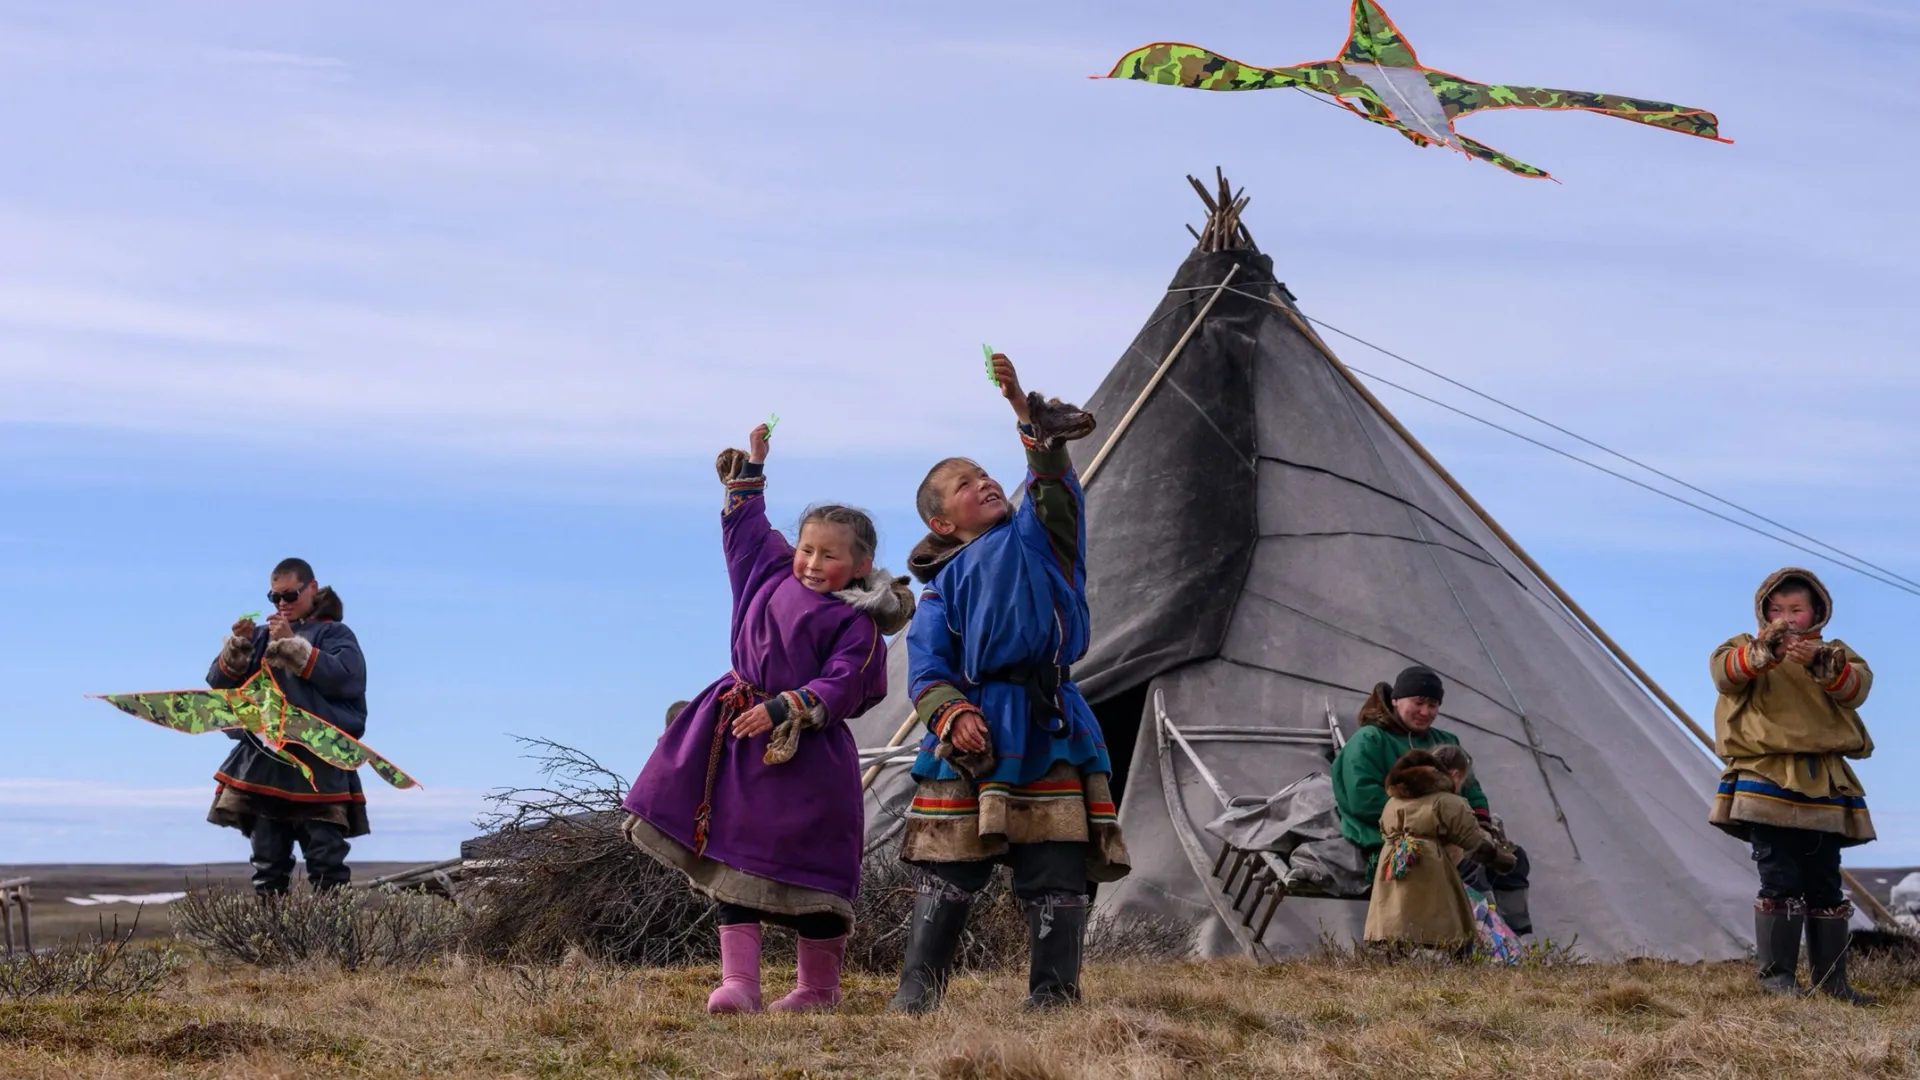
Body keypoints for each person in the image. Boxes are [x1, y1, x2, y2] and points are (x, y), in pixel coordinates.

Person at [621, 422, 913, 1015]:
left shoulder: (855, 625)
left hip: (810, 754)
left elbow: (845, 682)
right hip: (735, 738)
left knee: (817, 867)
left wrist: (784, 707)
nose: (811, 563)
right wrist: (752, 471)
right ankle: (741, 984)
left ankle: (817, 988)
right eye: (807, 548)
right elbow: (748, 533)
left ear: (860, 566)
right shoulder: (770, 571)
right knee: (733, 856)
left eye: (829, 555)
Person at [887, 352, 1128, 1014]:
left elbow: (1050, 486)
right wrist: (951, 715)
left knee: (1054, 865)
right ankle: (917, 994)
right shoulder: (939, 593)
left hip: (1050, 722)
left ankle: (1054, 997)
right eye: (967, 483)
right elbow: (929, 669)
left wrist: (1031, 425)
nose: (987, 483)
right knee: (951, 865)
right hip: (978, 730)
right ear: (942, 521)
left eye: (989, 474)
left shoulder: (1040, 537)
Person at [1709, 567, 1875, 1005]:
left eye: (1796, 610)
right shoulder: (1743, 648)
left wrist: (1822, 666)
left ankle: (1832, 983)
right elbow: (1725, 674)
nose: (1786, 617)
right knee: (1779, 876)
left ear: (1816, 612)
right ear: (1764, 613)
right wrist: (1762, 652)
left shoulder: (1836, 655)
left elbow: (1856, 689)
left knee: (1824, 881)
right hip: (1765, 777)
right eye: (1777, 610)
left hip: (1823, 781)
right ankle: (1777, 980)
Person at [206, 558, 368, 895]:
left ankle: (332, 946)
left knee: (327, 866)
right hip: (264, 767)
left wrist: (294, 646)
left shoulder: (336, 633)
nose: (282, 603)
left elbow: (347, 679)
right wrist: (239, 648)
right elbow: (220, 689)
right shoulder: (262, 637)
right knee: (267, 866)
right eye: (274, 597)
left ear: (312, 588)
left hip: (319, 767)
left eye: (290, 595)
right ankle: (271, 946)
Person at [1331, 665, 1533, 933]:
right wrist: (1433, 819)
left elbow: (1471, 789)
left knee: (1512, 857)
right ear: (1396, 700)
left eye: (1433, 705)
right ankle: (1481, 941)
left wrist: (1481, 826)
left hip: (1451, 832)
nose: (1425, 712)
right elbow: (1363, 800)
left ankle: (1515, 936)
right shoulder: (1370, 740)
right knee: (1470, 865)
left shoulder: (1445, 741)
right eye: (1418, 702)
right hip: (1388, 839)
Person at [1363, 748, 1514, 956]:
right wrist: (1500, 859)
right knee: (1438, 921)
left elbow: (1383, 830)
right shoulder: (1447, 802)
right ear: (1453, 775)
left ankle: (1389, 956)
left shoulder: (1393, 801)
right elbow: (1472, 840)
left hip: (1393, 864)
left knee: (1394, 919)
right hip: (1429, 866)